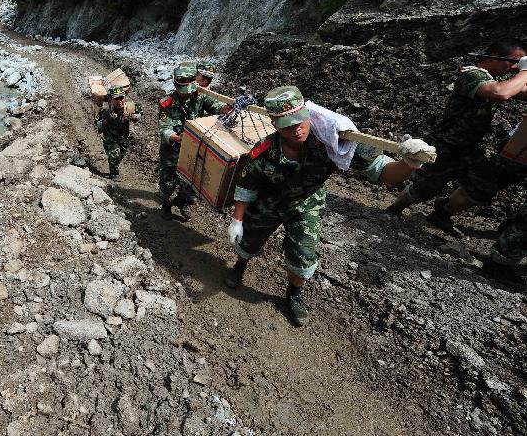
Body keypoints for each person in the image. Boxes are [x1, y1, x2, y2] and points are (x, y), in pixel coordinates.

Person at [224, 85, 435, 326]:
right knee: (249, 239)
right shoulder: (266, 149)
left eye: (299, 119)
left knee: (303, 253)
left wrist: (410, 163)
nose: (297, 128)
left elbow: (384, 173)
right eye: (287, 124)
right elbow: (248, 184)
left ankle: (294, 294)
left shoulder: (333, 142)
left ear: (306, 113)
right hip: (269, 200)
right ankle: (240, 265)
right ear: (275, 124)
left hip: (306, 203)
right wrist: (237, 220)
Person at [386, 40, 527, 219]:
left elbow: (519, 90)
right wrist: (525, 71)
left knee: (484, 186)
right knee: (427, 187)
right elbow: (501, 93)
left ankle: (442, 213)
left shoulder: (495, 80)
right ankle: (394, 209)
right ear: (493, 58)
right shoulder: (472, 75)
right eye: (513, 61)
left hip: (469, 147)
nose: (515, 67)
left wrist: (522, 74)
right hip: (447, 144)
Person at [158, 63, 230, 220]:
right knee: (168, 182)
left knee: (191, 184)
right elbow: (164, 129)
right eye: (182, 90)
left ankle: (183, 203)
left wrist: (228, 108)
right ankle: (166, 204)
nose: (186, 94)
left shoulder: (200, 96)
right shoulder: (166, 103)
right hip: (172, 149)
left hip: (194, 150)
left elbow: (217, 107)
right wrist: (178, 138)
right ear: (175, 84)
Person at [96, 85, 141, 180]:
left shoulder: (129, 106)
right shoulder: (105, 109)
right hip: (110, 136)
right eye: (117, 98)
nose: (120, 100)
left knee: (121, 154)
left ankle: (114, 165)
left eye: (122, 97)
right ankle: (114, 174)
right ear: (112, 99)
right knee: (114, 154)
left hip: (123, 136)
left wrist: (129, 116)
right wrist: (107, 119)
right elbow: (98, 126)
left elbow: (138, 116)